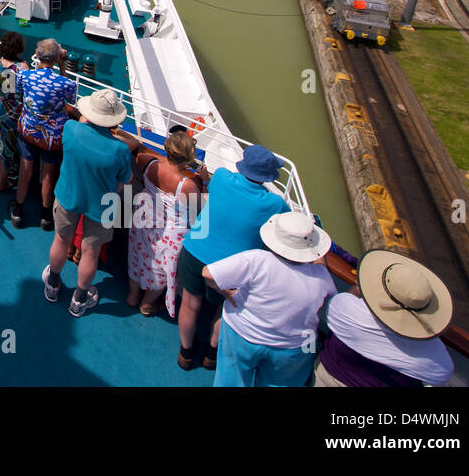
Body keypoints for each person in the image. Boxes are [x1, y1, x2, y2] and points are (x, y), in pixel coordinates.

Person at [176, 144, 289, 371]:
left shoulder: (221, 178)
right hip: (232, 268)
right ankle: (211, 355)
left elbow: (210, 182)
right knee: (223, 310)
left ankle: (185, 354)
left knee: (189, 304)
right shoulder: (276, 205)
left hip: (195, 251)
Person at [203, 211, 336, 388]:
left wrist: (227, 293)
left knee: (229, 382)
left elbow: (208, 274)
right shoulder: (321, 277)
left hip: (241, 334)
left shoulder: (258, 259)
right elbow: (333, 302)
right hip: (291, 348)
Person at [43, 88, 138, 317]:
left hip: (69, 195)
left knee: (61, 239)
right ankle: (79, 299)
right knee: (90, 252)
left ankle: (53, 284)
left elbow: (79, 127)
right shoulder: (119, 150)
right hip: (101, 204)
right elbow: (125, 180)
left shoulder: (71, 129)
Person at [314, 250, 454, 387]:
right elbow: (442, 374)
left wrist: (359, 287)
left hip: (328, 380)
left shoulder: (349, 311)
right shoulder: (437, 358)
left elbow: (336, 303)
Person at [125, 130, 203, 317]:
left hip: (144, 218)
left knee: (138, 257)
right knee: (162, 268)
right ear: (188, 157)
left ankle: (133, 295)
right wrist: (204, 180)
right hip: (169, 231)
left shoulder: (149, 163)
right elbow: (199, 209)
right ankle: (147, 303)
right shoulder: (186, 185)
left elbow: (139, 151)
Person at [11, 37, 78, 231]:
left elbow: (18, 93)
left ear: (38, 56)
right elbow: (71, 102)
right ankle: (46, 216)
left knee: (25, 170)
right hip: (52, 137)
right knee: (49, 175)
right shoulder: (66, 83)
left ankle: (18, 212)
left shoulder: (26, 76)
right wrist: (62, 63)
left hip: (29, 131)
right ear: (56, 57)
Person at [0, 30, 26, 192]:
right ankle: (2, 183)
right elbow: (10, 91)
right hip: (9, 116)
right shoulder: (19, 68)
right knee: (8, 150)